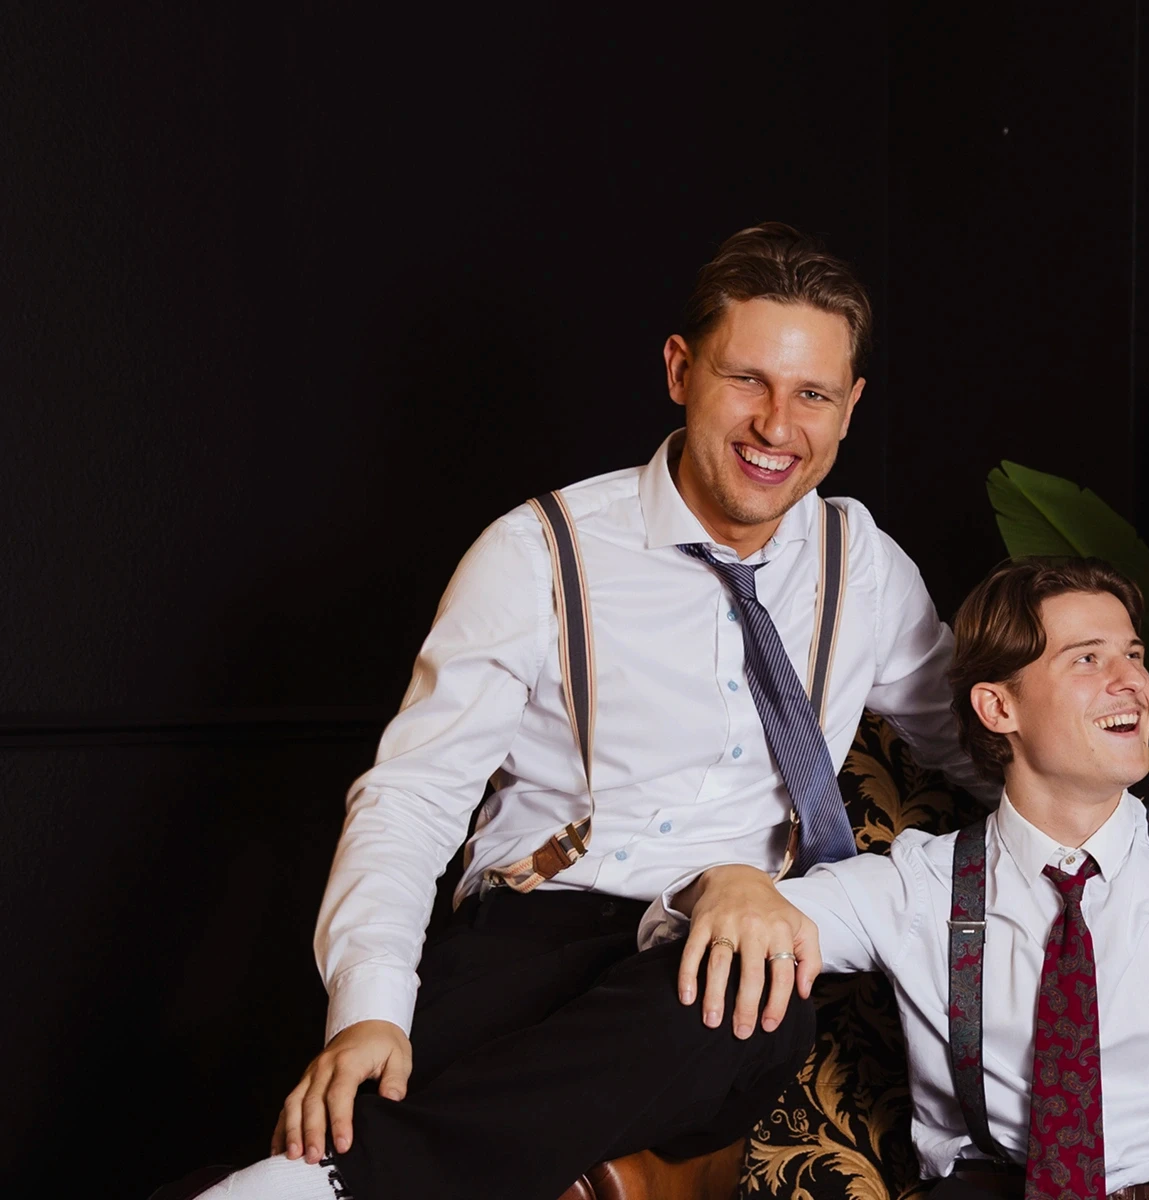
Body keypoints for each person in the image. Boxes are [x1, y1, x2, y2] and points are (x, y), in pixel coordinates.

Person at [158, 223, 981, 1200]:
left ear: (848, 407)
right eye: (744, 380)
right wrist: (369, 1009)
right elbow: (413, 795)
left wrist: (1118, 798)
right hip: (533, 926)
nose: (775, 425)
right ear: (680, 371)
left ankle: (317, 1191)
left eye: (809, 394)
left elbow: (970, 737)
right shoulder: (539, 551)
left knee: (747, 999)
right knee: (378, 1081)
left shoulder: (866, 567)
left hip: (716, 949)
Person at [643, 557, 1149, 1200]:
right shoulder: (916, 887)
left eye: (1134, 654)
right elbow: (674, 936)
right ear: (997, 709)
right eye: (1087, 659)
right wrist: (719, 884)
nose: (1135, 684)